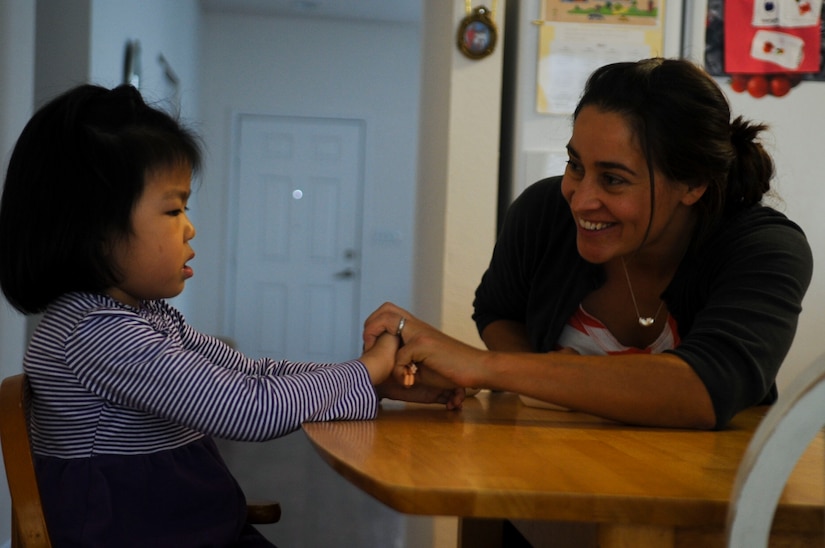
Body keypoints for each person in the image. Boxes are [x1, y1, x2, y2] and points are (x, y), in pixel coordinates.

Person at [0, 84, 460, 547]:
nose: (190, 225)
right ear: (94, 228)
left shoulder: (143, 316)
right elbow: (250, 408)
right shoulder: (94, 333)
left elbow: (250, 374)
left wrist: (370, 383)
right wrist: (369, 367)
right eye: (173, 208)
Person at [364, 57, 813, 431]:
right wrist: (545, 385)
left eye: (613, 180)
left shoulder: (765, 250)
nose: (579, 198)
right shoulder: (542, 212)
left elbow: (706, 388)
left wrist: (485, 366)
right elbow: (499, 310)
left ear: (693, 183)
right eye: (575, 165)